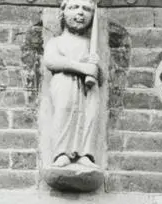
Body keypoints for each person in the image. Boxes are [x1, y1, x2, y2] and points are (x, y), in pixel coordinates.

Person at [44, 0, 101, 169]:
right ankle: (61, 152)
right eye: (74, 7)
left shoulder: (91, 45)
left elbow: (99, 75)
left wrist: (97, 67)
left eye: (87, 9)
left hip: (88, 88)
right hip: (64, 84)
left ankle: (85, 154)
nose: (81, 13)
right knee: (63, 113)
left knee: (89, 116)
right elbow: (51, 61)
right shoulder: (56, 42)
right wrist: (83, 67)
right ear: (63, 13)